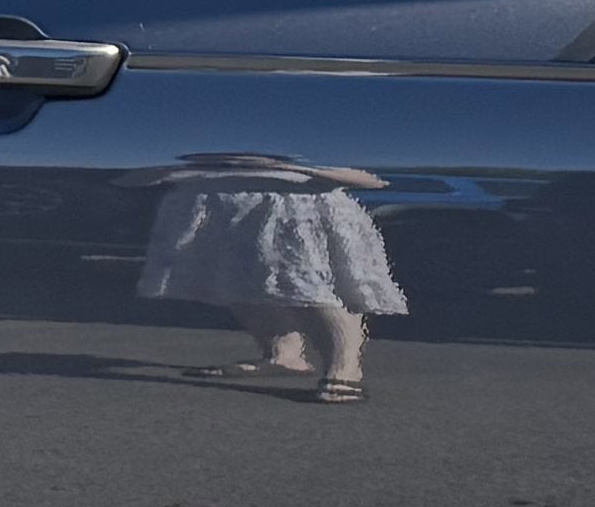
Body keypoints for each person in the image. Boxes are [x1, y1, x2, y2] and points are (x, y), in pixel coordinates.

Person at [134, 153, 407, 403]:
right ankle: (284, 357)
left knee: (311, 285)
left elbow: (373, 176)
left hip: (296, 197)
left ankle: (345, 369)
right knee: (241, 281)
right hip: (215, 194)